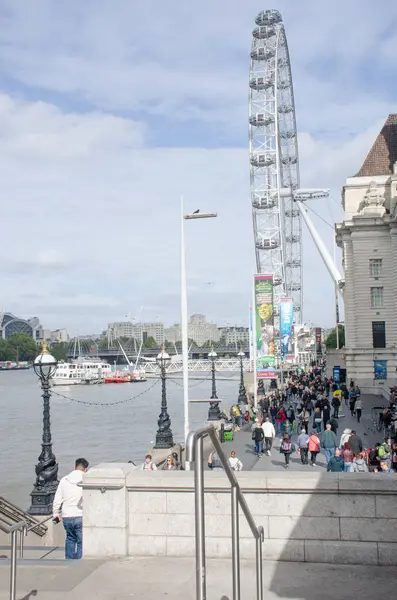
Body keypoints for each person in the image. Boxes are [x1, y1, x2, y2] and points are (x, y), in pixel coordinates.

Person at [53, 458, 89, 560]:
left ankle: (69, 561)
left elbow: (57, 499)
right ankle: (79, 563)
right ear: (86, 469)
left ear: (75, 467)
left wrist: (56, 514)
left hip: (66, 515)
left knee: (70, 538)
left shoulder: (64, 480)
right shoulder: (86, 480)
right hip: (80, 514)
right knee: (81, 541)